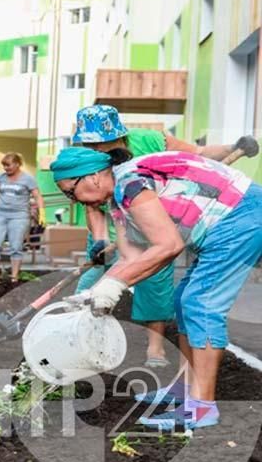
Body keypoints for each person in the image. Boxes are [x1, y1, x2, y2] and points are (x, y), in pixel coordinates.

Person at [51, 147, 262, 430]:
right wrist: (94, 293)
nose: (74, 201)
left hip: (241, 216)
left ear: (93, 178)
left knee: (201, 303)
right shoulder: (118, 202)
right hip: (226, 223)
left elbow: (168, 245)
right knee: (183, 300)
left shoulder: (130, 184)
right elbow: (131, 258)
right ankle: (186, 389)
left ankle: (201, 407)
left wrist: (115, 285)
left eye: (70, 192)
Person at [71, 104, 259, 367]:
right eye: (88, 145)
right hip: (114, 227)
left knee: (162, 285)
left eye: (101, 144)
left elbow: (200, 156)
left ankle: (156, 350)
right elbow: (91, 206)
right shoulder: (82, 162)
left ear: (119, 136)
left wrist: (232, 148)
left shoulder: (148, 141)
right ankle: (81, 346)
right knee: (89, 287)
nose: (95, 151)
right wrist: (101, 240)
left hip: (159, 223)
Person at [0, 152, 45, 283]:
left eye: (8, 165)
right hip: (0, 215)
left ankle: (14, 277)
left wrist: (42, 212)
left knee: (16, 247)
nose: (6, 168)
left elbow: (38, 196)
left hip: (19, 217)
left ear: (18, 164)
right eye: (4, 166)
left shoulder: (28, 179)